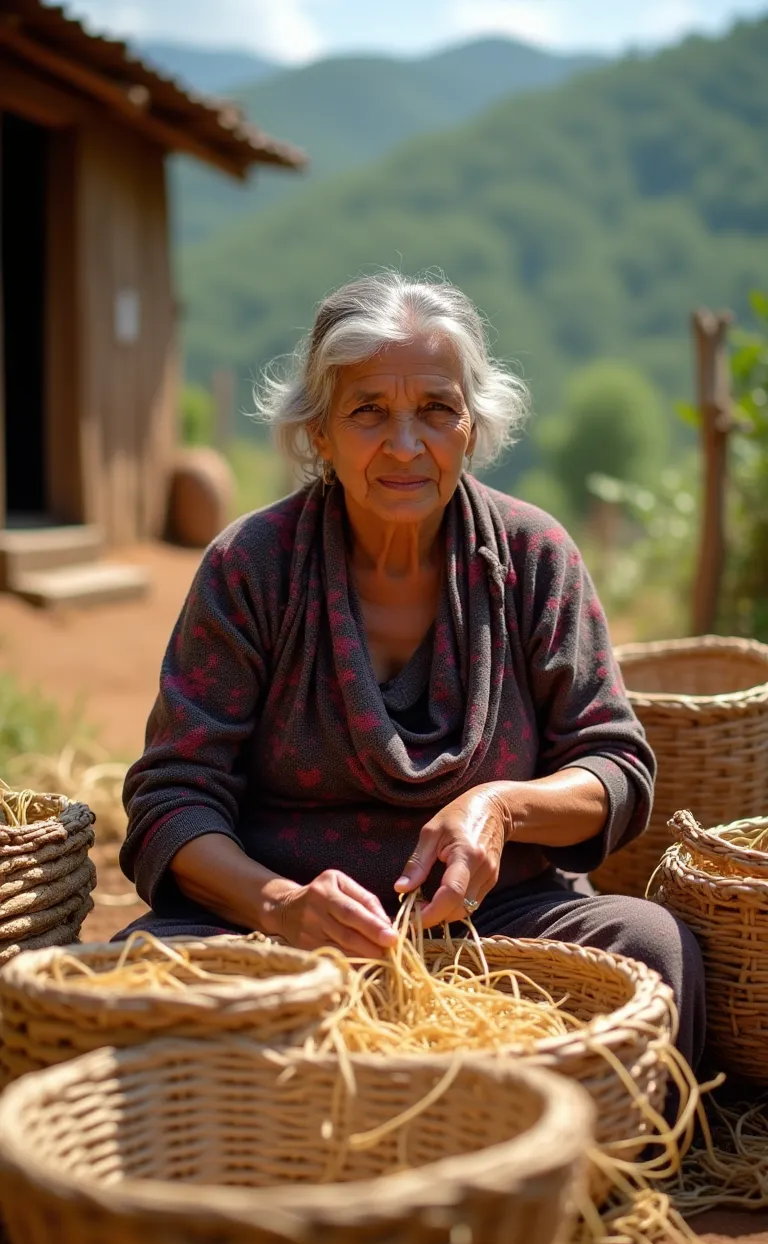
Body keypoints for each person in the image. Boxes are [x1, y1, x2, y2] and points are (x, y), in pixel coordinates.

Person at [117, 271, 705, 1068]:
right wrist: (282, 905)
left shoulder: (534, 557)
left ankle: (552, 1174)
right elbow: (173, 795)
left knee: (651, 949)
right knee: (128, 982)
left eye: (435, 410)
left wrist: (499, 809)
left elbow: (615, 764)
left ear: (472, 425)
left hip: (502, 925)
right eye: (368, 412)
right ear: (319, 432)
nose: (405, 444)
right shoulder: (252, 566)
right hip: (273, 935)